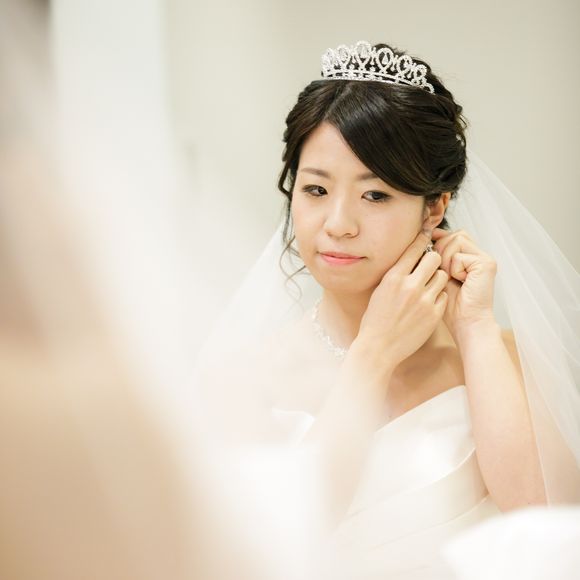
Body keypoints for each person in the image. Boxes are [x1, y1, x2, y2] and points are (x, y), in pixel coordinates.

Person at [195, 40, 580, 579]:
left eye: (375, 195)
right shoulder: (245, 378)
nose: (338, 224)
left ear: (434, 208)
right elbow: (267, 547)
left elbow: (547, 528)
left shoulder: (502, 358)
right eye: (315, 189)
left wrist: (475, 329)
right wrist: (372, 354)